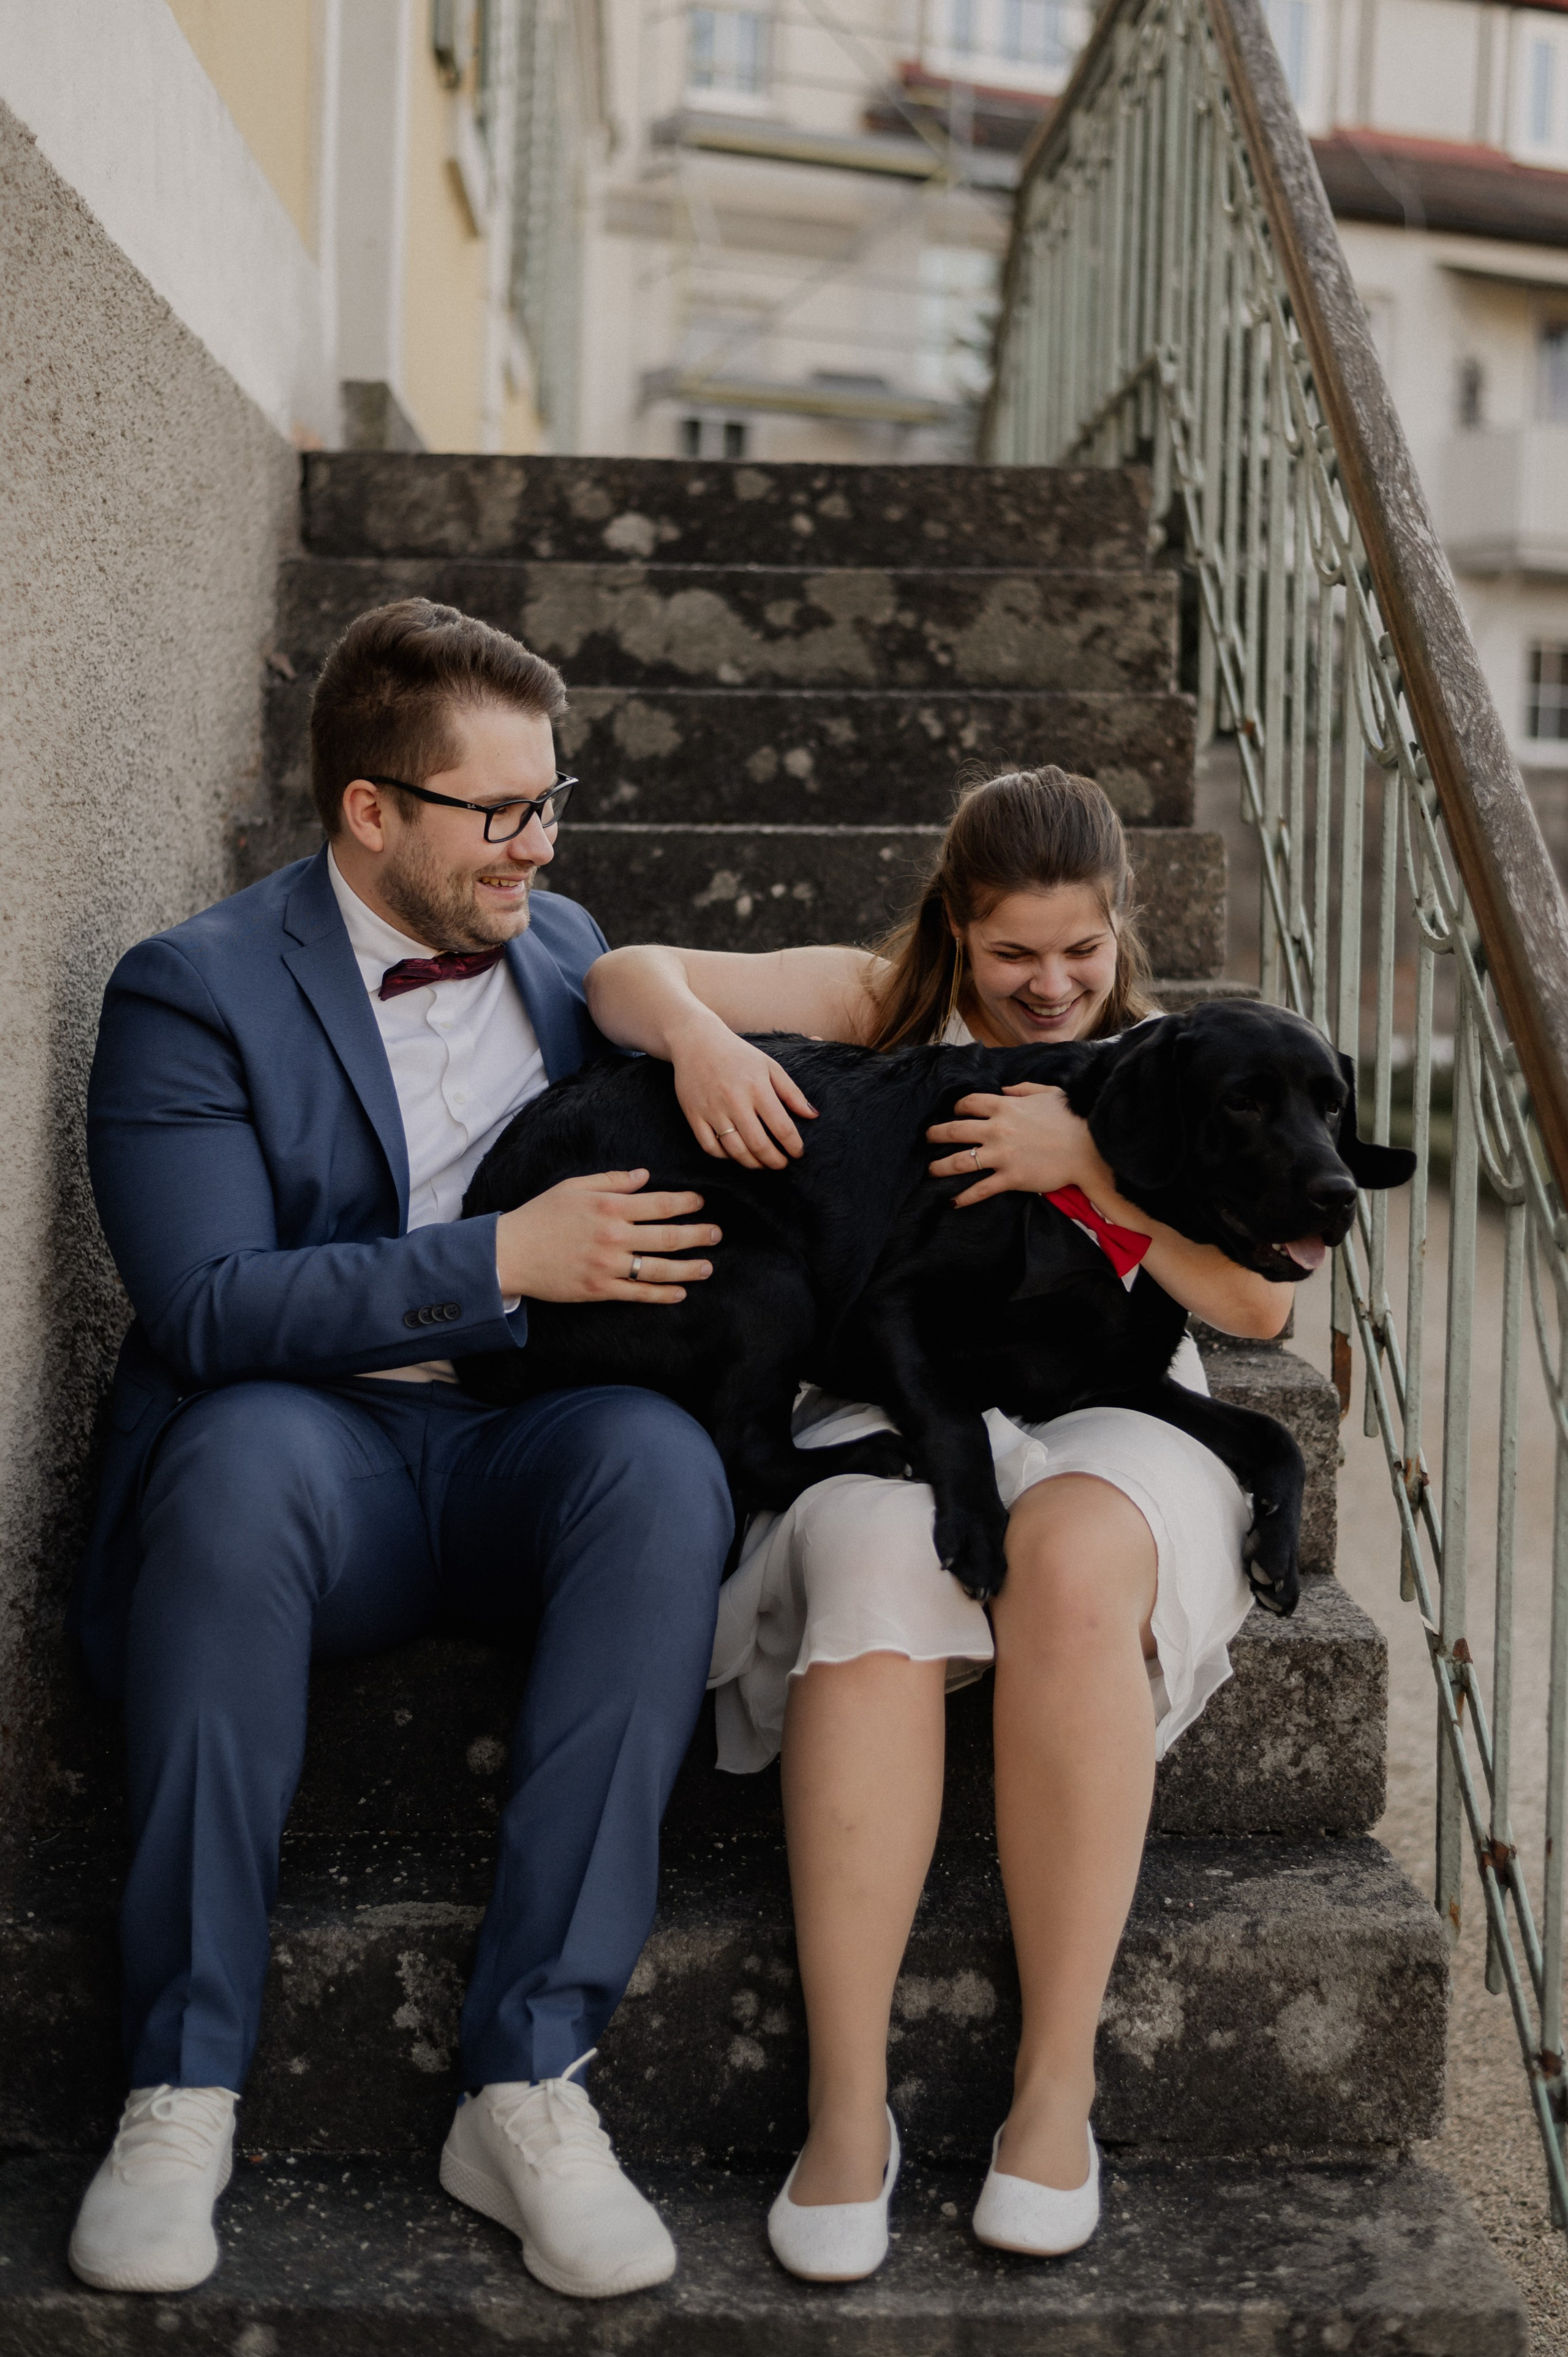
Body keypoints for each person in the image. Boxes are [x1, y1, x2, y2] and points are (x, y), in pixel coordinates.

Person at [67, 599, 735, 2302]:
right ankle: (183, 2079)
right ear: (372, 810)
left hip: (522, 1444)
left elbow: (759, 1003)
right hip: (316, 1455)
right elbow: (208, 1305)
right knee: (226, 1464)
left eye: (552, 799)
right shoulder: (190, 990)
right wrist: (502, 1259)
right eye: (499, 810)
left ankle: (527, 2073)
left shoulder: (568, 941)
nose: (540, 843)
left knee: (662, 1469)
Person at [586, 766, 1291, 2280]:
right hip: (885, 1393)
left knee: (1077, 1559)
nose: (1048, 988)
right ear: (953, 931)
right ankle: (847, 2110)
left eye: (1079, 953)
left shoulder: (1164, 1059)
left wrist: (1088, 1171)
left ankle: (1055, 2085)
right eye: (1011, 955)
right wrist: (705, 1045)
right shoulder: (872, 1003)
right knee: (863, 1558)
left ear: (1121, 928)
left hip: (1110, 1398)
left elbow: (1253, 1299)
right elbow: (616, 973)